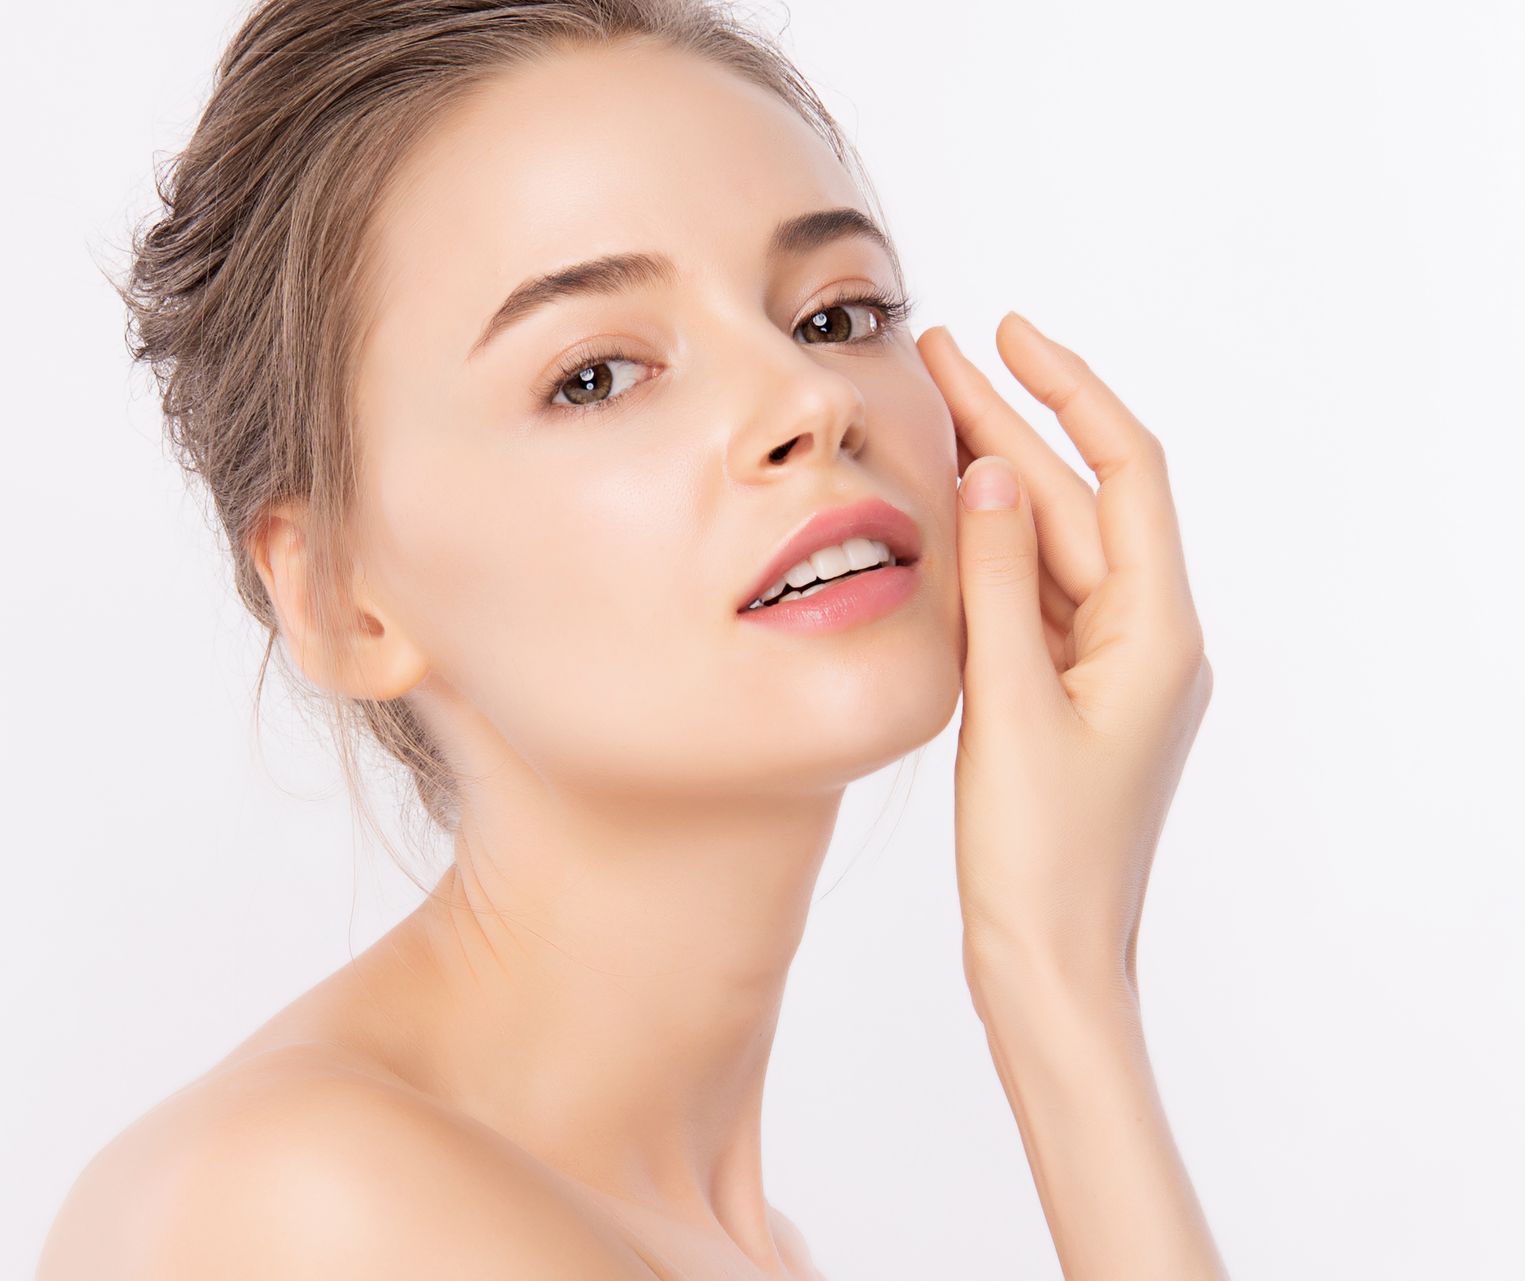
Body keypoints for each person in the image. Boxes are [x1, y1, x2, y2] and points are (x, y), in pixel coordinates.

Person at [37, 1, 1222, 1277]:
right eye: (594, 374)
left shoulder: (747, 1250)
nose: (808, 400)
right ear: (338, 596)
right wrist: (1059, 1000)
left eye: (834, 315)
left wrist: (1068, 976)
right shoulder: (297, 1213)